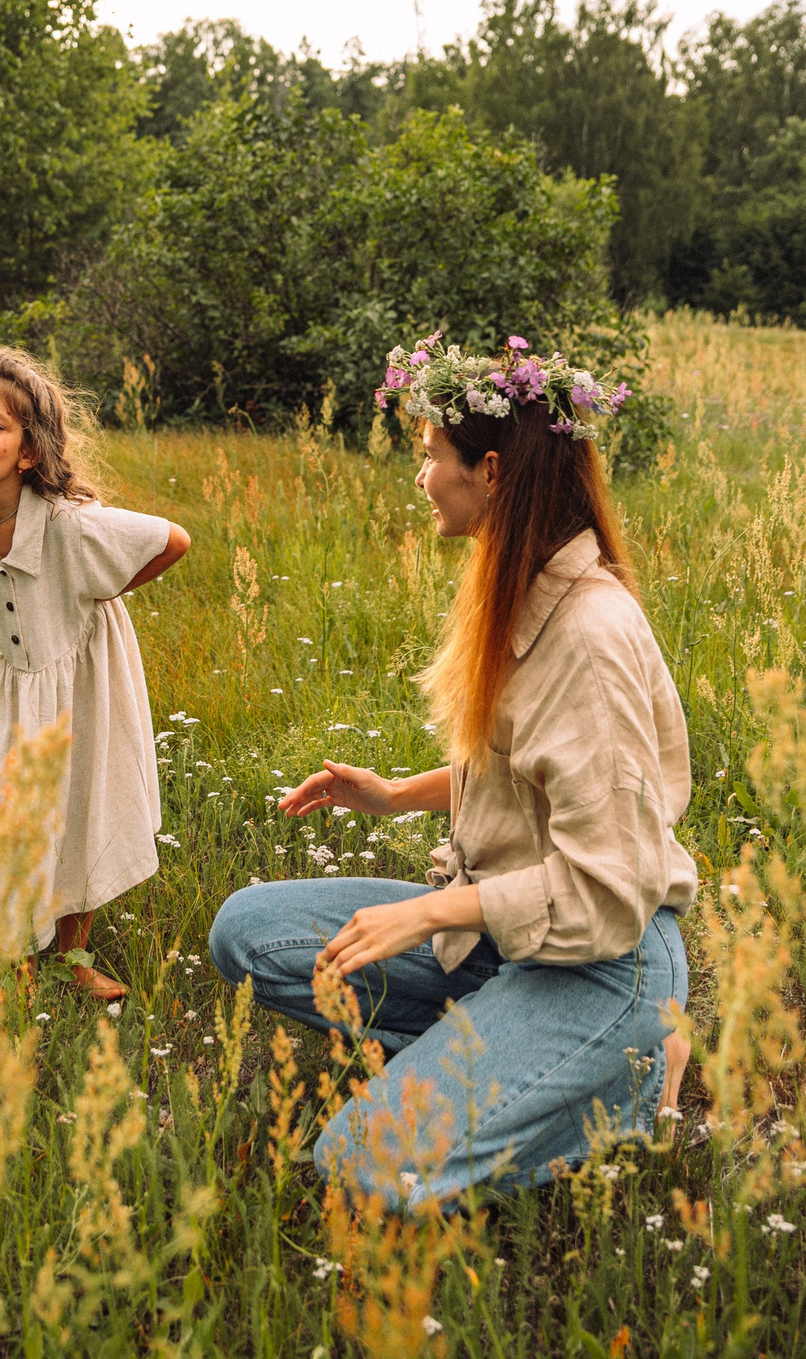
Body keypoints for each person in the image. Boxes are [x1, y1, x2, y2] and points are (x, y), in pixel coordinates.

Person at [208, 331, 696, 1203]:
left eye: (432, 455)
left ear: (494, 471)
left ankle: (628, 1073)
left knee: (357, 1162)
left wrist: (433, 906)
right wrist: (395, 796)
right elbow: (526, 774)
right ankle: (499, 1050)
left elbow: (613, 887)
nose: (421, 475)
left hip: (606, 962)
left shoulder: (590, 637)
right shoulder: (519, 582)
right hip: (504, 940)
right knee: (248, 932)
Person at [0, 347, 190, 1001]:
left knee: (77, 807)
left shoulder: (69, 525)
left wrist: (98, 594)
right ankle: (20, 965)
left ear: (29, 451)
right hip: (12, 683)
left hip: (83, 675)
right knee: (14, 816)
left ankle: (71, 958)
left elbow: (173, 540)